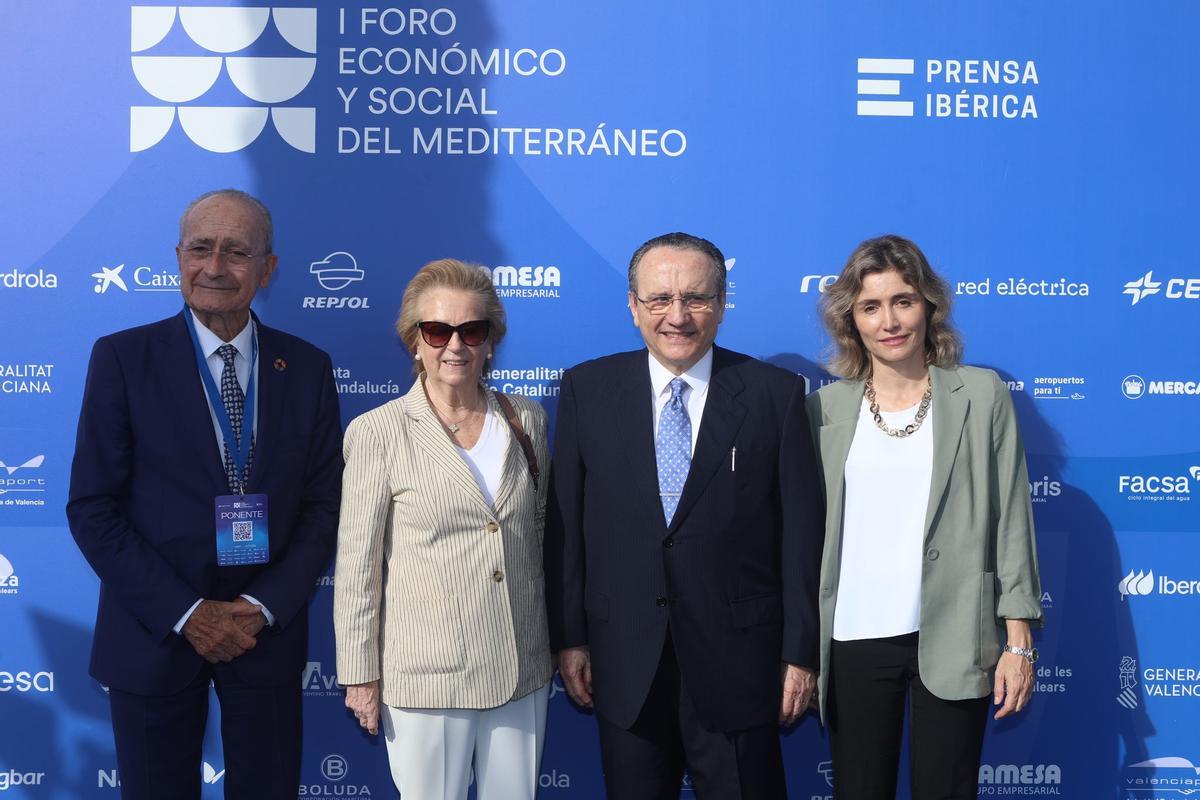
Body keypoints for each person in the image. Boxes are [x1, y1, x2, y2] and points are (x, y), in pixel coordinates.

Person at [66, 189, 344, 799]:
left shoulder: (308, 367)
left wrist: (260, 607)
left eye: (237, 252)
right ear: (178, 257)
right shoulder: (122, 358)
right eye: (200, 248)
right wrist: (187, 614)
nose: (215, 267)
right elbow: (92, 508)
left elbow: (325, 508)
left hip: (263, 635)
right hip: (152, 634)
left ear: (267, 269)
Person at [544, 232, 825, 798]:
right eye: (659, 299)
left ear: (722, 305)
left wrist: (801, 653)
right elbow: (567, 529)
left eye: (696, 298)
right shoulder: (585, 390)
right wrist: (570, 638)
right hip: (624, 666)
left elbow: (800, 535)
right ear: (632, 307)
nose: (678, 316)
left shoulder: (775, 395)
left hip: (741, 666)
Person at [805, 234, 1043, 800]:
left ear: (929, 305)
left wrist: (1019, 643)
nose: (890, 320)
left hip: (956, 633)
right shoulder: (822, 409)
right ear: (851, 320)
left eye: (903, 300)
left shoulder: (981, 395)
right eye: (870, 306)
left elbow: (1011, 519)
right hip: (854, 639)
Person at [334, 259, 552, 800]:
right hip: (425, 677)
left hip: (520, 667)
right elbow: (358, 567)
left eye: (471, 330)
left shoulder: (526, 420)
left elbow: (541, 533)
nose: (454, 345)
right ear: (414, 340)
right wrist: (359, 674)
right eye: (437, 331)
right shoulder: (377, 433)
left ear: (490, 341)